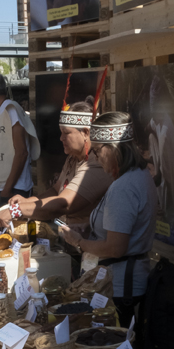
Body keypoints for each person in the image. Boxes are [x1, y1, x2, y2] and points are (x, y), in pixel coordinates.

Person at [57, 111, 157, 326]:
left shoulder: (124, 186)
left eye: (97, 151)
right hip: (124, 283)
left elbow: (115, 248)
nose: (96, 157)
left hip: (121, 287)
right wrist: (89, 226)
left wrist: (79, 242)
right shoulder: (139, 176)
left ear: (112, 149)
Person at [0, 98, 110, 229]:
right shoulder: (73, 158)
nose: (61, 138)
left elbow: (63, 203)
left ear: (86, 132)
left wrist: (16, 211)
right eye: (61, 132)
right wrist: (27, 202)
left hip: (88, 240)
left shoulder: (97, 163)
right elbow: (56, 190)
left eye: (66, 133)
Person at [0, 71, 40, 210]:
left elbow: (22, 152)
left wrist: (7, 189)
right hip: (1, 187)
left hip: (15, 189)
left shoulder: (11, 110)